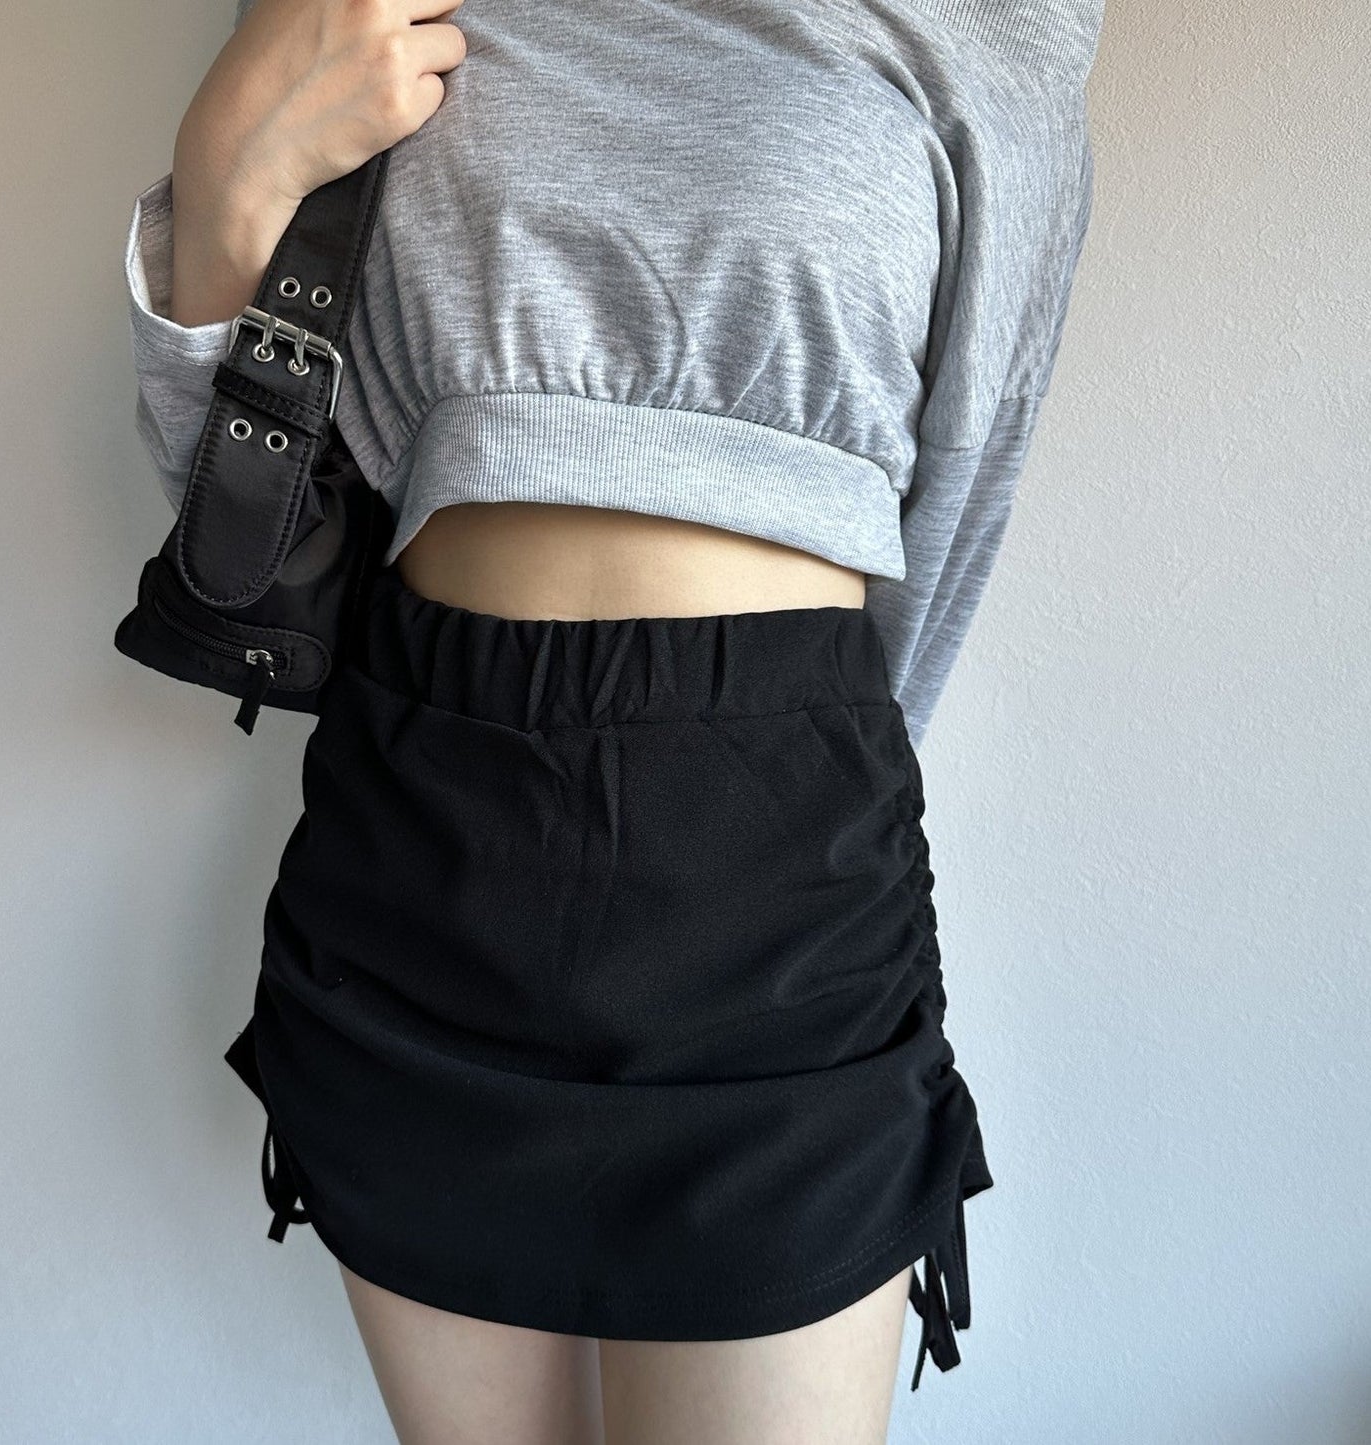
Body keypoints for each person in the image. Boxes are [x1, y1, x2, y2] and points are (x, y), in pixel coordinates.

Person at [122, 0, 1106, 1438]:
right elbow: (247, 514)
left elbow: (970, 449)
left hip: (778, 885)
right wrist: (224, 164)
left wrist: (796, 765)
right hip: (421, 851)